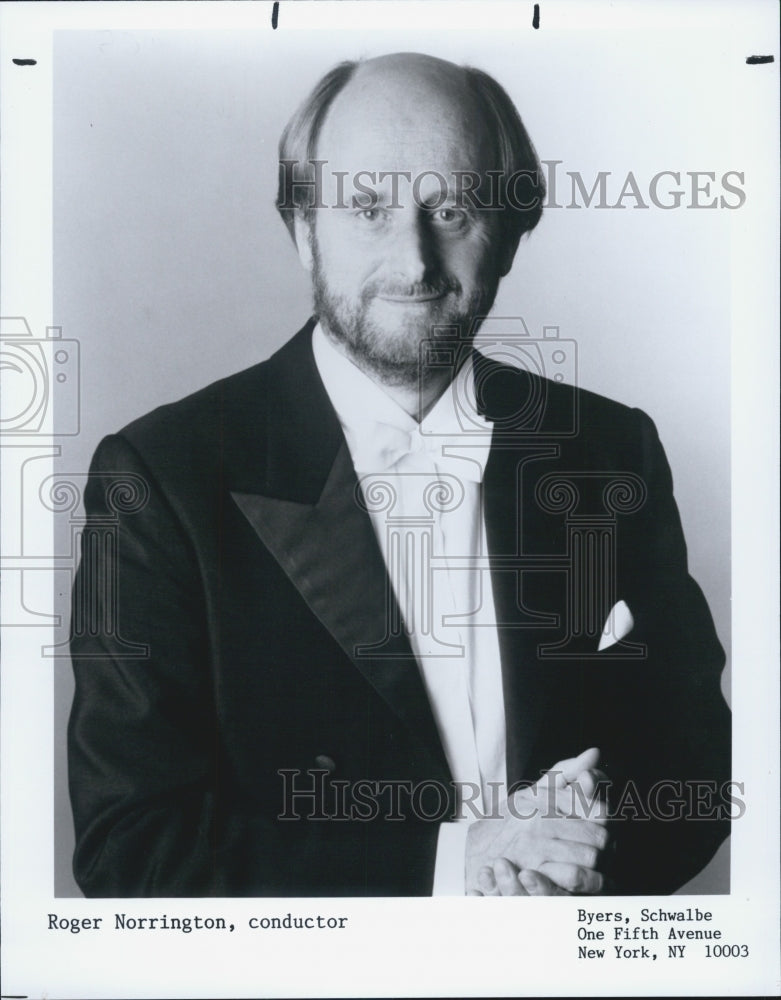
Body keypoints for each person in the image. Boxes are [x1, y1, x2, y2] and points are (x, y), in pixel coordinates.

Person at [68, 52, 731, 898]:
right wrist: (458, 864)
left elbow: (698, 771)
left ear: (512, 229)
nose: (413, 261)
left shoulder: (609, 449)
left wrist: (584, 831)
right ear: (302, 226)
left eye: (450, 209)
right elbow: (132, 852)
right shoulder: (160, 479)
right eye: (367, 208)